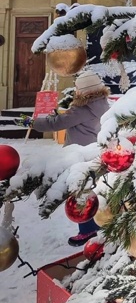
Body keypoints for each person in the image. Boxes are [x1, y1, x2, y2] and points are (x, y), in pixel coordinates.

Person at [31, 71, 110, 246]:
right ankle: (98, 225)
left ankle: (87, 230)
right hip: (96, 153)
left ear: (82, 90)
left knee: (79, 192)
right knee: (93, 190)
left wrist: (30, 122)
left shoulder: (82, 108)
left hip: (79, 156)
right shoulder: (103, 104)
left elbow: (55, 124)